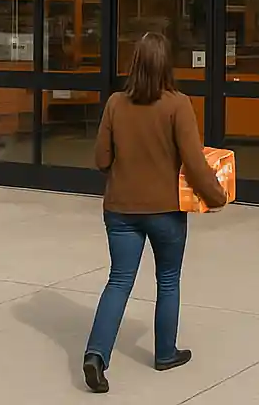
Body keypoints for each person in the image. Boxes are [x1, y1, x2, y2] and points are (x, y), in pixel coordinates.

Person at [83, 33, 227, 394]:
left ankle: (96, 355)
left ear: (134, 64)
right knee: (168, 280)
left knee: (119, 281)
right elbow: (195, 163)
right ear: (166, 65)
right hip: (166, 211)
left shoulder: (115, 103)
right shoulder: (178, 105)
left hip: (120, 209)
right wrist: (217, 195)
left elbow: (101, 160)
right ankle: (165, 352)